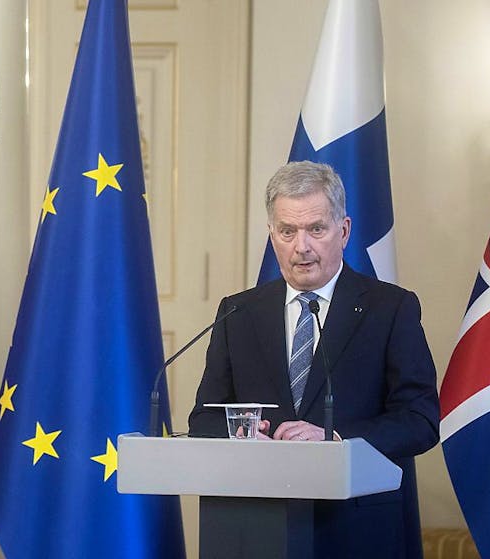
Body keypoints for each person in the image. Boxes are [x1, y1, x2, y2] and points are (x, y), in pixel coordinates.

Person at [188, 161, 439, 559]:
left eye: (316, 229)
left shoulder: (391, 308)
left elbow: (420, 421)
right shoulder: (238, 312)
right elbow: (204, 418)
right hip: (258, 525)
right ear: (272, 235)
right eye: (287, 231)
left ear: (344, 231)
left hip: (358, 530)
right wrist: (244, 436)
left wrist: (334, 437)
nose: (301, 246)